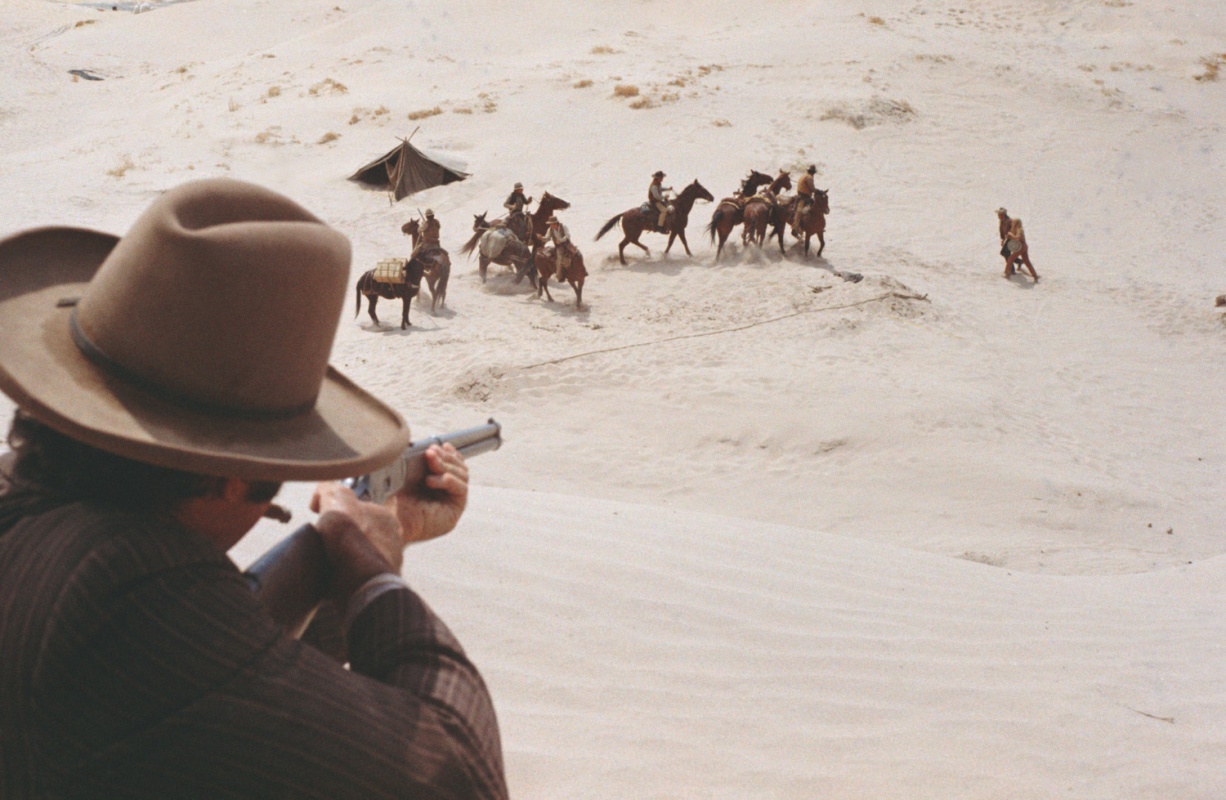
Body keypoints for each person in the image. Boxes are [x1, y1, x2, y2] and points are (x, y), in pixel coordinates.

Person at [0, 178, 508, 798]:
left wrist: (357, 544)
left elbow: (234, 671)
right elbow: (456, 775)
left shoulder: (27, 506)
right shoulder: (134, 597)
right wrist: (372, 570)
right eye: (274, 481)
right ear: (232, 476)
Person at [538, 213, 574, 282]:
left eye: (551, 224)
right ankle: (559, 275)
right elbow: (547, 238)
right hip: (559, 247)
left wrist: (560, 240)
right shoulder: (550, 230)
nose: (550, 225)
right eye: (550, 224)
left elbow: (567, 236)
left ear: (555, 223)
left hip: (567, 245)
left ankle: (577, 270)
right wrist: (541, 238)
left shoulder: (563, 227)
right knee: (558, 258)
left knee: (575, 254)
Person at [1003, 216, 1039, 281]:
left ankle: (1007, 274)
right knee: (1026, 261)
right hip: (1023, 246)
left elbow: (1018, 238)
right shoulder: (1016, 229)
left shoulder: (1019, 229)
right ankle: (1035, 276)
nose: (1012, 224)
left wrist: (1011, 235)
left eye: (1013, 223)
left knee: (1010, 259)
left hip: (1021, 246)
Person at [792, 164, 817, 236]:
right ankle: (796, 227)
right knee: (811, 209)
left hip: (800, 195)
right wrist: (818, 191)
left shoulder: (803, 176)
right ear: (813, 172)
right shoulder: (809, 178)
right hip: (805, 197)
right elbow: (812, 189)